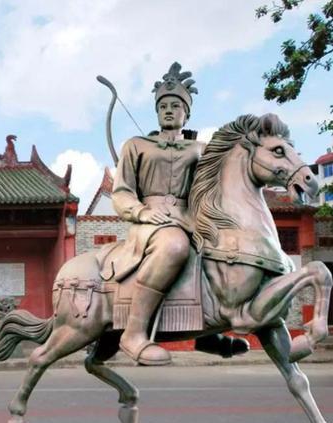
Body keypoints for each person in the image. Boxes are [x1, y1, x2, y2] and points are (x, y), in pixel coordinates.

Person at [111, 62, 248, 365]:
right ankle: (133, 333)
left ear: (187, 113)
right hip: (152, 221)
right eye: (163, 106)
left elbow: (215, 185)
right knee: (174, 246)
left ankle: (207, 333)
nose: (169, 111)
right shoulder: (136, 145)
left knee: (227, 252)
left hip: (191, 218)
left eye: (176, 105)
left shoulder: (199, 148)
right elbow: (121, 192)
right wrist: (141, 212)